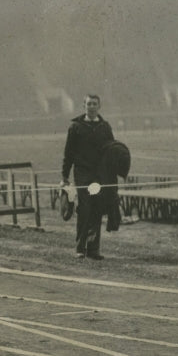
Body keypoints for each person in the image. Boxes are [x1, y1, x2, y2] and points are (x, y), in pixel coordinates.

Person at [61, 94, 116, 259]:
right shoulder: (76, 127)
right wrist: (64, 176)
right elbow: (68, 153)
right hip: (82, 173)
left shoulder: (105, 127)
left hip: (99, 175)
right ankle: (80, 248)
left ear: (99, 106)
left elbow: (112, 151)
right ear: (83, 106)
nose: (91, 106)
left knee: (97, 208)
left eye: (94, 104)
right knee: (84, 209)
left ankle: (93, 249)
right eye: (88, 104)